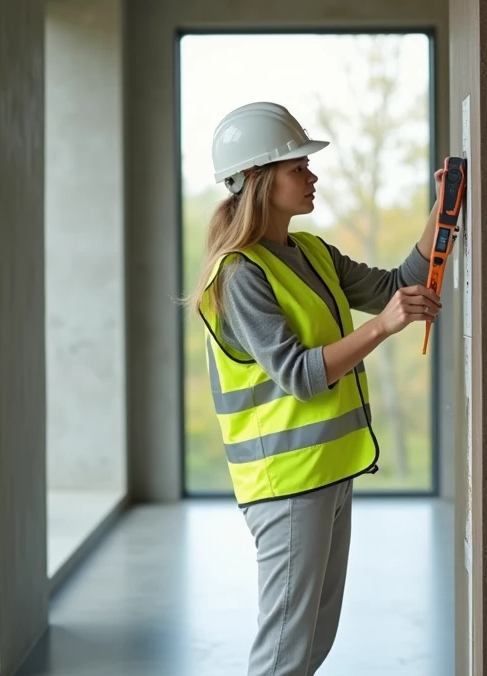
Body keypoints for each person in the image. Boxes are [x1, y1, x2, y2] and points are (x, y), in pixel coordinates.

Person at [187, 101, 447, 676]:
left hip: (328, 472)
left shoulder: (310, 253)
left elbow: (396, 286)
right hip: (286, 485)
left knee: (310, 645)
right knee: (283, 653)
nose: (312, 176)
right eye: (297, 167)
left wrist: (441, 210)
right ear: (258, 181)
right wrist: (384, 327)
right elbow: (300, 374)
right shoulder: (239, 273)